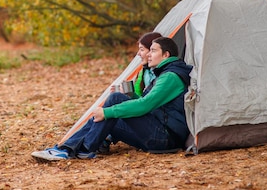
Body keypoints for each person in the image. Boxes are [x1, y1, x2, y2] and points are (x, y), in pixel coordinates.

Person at [31, 36, 192, 161]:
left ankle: (81, 149)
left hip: (165, 139)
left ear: (166, 55)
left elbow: (145, 105)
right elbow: (149, 102)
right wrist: (129, 96)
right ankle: (68, 148)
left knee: (114, 101)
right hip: (160, 135)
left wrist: (107, 111)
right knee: (115, 109)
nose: (149, 55)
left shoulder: (170, 76)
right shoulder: (165, 73)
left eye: (154, 51)